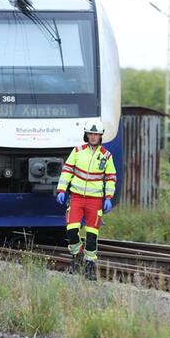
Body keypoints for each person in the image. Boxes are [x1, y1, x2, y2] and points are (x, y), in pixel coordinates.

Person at [55, 120, 117, 281]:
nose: (93, 136)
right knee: (71, 230)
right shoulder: (77, 151)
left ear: (101, 136)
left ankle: (90, 265)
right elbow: (67, 171)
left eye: (96, 134)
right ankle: (77, 257)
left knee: (91, 236)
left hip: (95, 201)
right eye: (91, 133)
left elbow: (111, 178)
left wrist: (108, 197)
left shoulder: (106, 156)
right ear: (86, 135)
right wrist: (61, 190)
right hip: (76, 198)